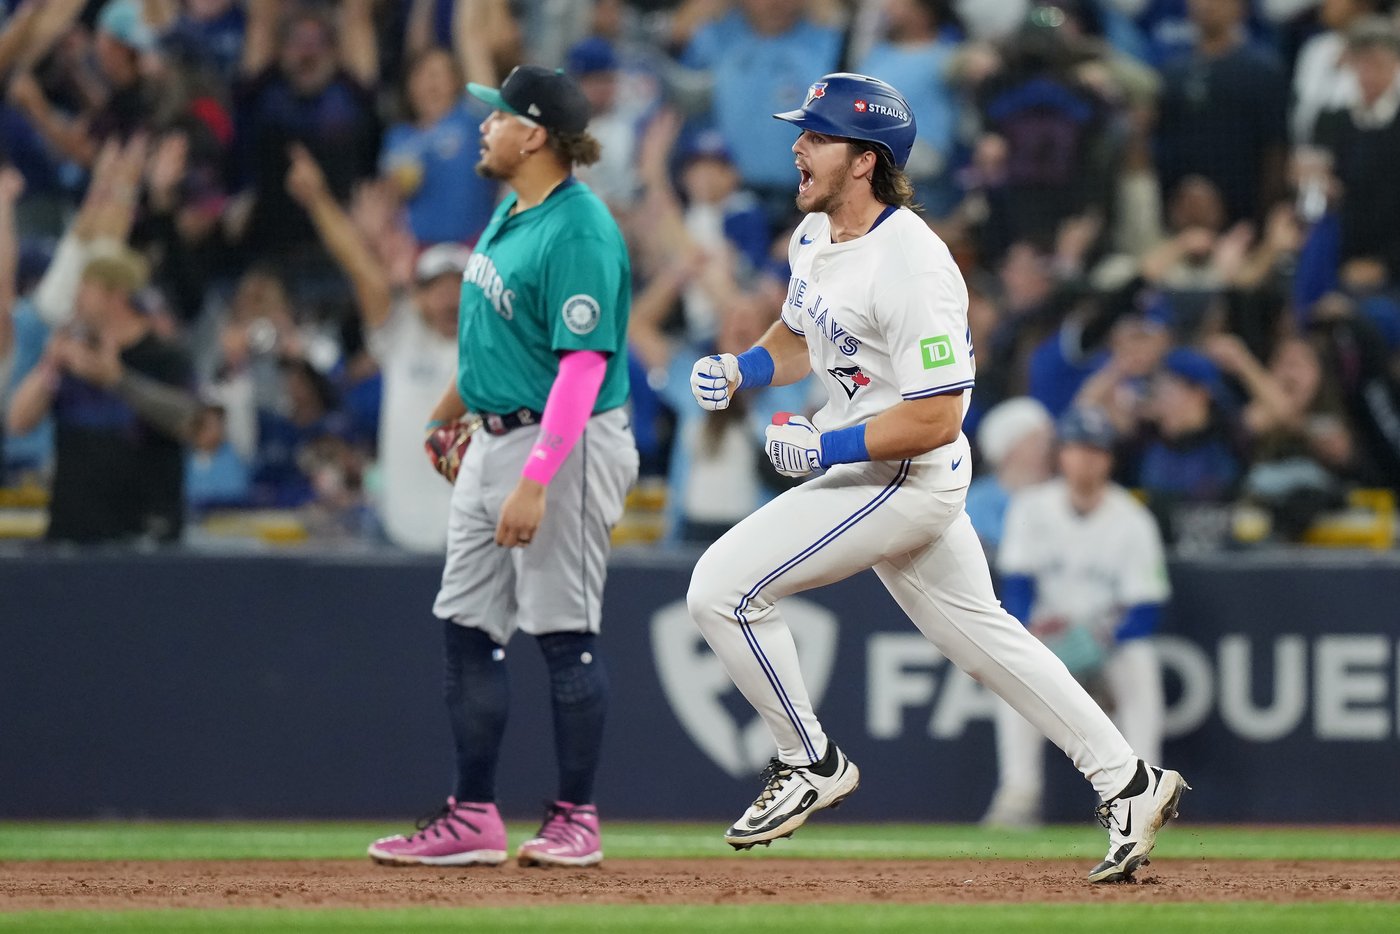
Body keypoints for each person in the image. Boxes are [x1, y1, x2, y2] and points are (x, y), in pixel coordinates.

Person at [684, 72, 1188, 883]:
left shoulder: (914, 263)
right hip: (880, 463)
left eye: (817, 135)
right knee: (987, 643)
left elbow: (939, 415)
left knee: (721, 589)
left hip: (903, 470)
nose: (798, 146)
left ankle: (809, 760)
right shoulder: (813, 235)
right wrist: (745, 367)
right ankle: (1128, 782)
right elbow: (802, 332)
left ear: (866, 160)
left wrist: (826, 449)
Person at [368, 65, 638, 869]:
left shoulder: (579, 229)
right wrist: (445, 415)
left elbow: (583, 366)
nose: (482, 125)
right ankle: (474, 815)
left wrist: (535, 479)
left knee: (563, 632)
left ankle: (576, 817)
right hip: (494, 435)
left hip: (565, 441)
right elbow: (493, 338)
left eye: (497, 116)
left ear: (535, 134)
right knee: (467, 626)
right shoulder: (512, 210)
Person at [983, 406, 1170, 829]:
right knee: (1012, 672)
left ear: (1109, 459)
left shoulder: (1133, 519)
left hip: (1107, 641)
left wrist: (1102, 641)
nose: (1086, 459)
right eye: (1077, 448)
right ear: (1061, 454)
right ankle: (1018, 794)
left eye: (1096, 450)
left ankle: (1140, 799)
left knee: (1140, 662)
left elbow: (1146, 608)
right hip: (1049, 640)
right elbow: (1018, 588)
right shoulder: (1031, 507)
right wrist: (1029, 636)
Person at [286, 143, 463, 552]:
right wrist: (318, 200)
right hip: (400, 528)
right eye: (438, 288)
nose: (450, 298)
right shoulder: (400, 334)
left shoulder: (496, 344)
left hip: (476, 538)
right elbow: (361, 270)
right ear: (418, 297)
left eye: (460, 288)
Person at [5, 247, 197, 544]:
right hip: (72, 531)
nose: (76, 299)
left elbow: (194, 424)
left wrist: (117, 380)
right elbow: (17, 422)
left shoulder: (165, 357)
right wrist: (50, 365)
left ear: (116, 295)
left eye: (85, 289)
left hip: (146, 535)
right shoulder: (73, 356)